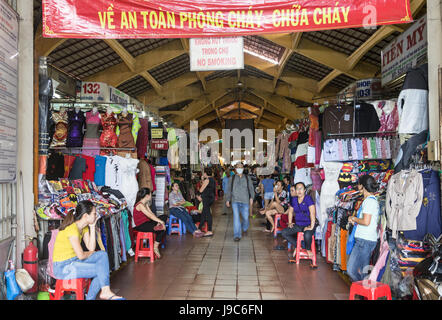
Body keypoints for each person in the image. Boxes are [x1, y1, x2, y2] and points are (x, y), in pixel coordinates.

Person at [52, 200, 125, 300]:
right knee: (101, 270)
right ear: (86, 216)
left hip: (73, 261)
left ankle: (105, 291)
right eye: (94, 214)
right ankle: (95, 296)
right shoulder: (72, 229)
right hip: (63, 267)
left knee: (102, 255)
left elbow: (91, 248)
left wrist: (92, 227)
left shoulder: (84, 227)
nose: (96, 216)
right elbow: (81, 255)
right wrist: (90, 253)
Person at [347, 175, 380, 282]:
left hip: (364, 240)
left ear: (362, 186)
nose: (357, 187)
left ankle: (364, 290)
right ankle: (363, 292)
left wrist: (354, 218)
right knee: (362, 270)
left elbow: (366, 222)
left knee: (352, 270)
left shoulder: (369, 201)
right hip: (365, 239)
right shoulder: (370, 200)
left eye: (358, 184)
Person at [281, 183, 317, 260]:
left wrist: (311, 226)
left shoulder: (308, 198)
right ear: (296, 191)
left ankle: (307, 249)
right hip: (298, 225)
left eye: (301, 189)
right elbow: (290, 212)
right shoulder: (294, 200)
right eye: (297, 189)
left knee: (307, 235)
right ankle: (299, 246)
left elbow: (312, 213)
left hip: (308, 224)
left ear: (304, 190)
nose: (299, 191)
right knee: (284, 232)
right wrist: (290, 222)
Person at [133, 188, 168, 259]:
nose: (151, 195)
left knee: (164, 216)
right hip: (141, 226)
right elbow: (150, 216)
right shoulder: (140, 205)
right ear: (147, 196)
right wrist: (160, 222)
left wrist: (158, 221)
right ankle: (155, 247)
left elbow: (152, 214)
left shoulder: (145, 204)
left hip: (147, 223)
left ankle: (157, 227)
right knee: (162, 229)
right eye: (150, 194)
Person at [225, 162, 255, 241]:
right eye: (238, 167)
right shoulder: (232, 178)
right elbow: (228, 189)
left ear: (243, 168)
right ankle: (237, 235)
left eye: (241, 167)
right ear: (235, 169)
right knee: (236, 218)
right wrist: (228, 199)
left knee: (245, 217)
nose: (239, 168)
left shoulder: (247, 178)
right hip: (235, 201)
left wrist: (252, 197)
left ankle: (244, 227)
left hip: (245, 201)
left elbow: (251, 188)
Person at [199, 168, 216, 237]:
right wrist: (203, 179)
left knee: (208, 214)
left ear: (205, 173)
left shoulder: (207, 180)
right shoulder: (212, 180)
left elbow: (201, 190)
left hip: (206, 198)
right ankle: (199, 228)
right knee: (204, 212)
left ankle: (209, 230)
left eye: (204, 173)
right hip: (211, 198)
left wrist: (199, 195)